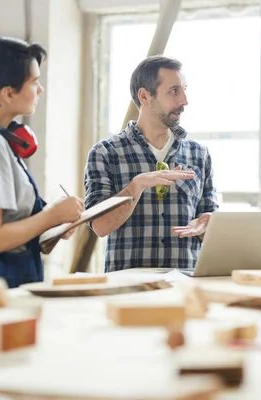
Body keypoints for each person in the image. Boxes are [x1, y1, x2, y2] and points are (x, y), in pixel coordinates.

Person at [0, 37, 83, 288]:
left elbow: (11, 223)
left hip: (6, 279)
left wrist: (54, 222)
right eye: (34, 82)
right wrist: (51, 215)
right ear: (8, 93)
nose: (40, 90)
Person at [84, 55, 219, 272]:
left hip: (185, 289)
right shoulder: (105, 153)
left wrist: (209, 225)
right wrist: (136, 186)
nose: (184, 100)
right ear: (145, 96)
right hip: (127, 290)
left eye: (184, 90)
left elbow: (211, 227)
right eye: (174, 91)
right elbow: (100, 227)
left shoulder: (199, 155)